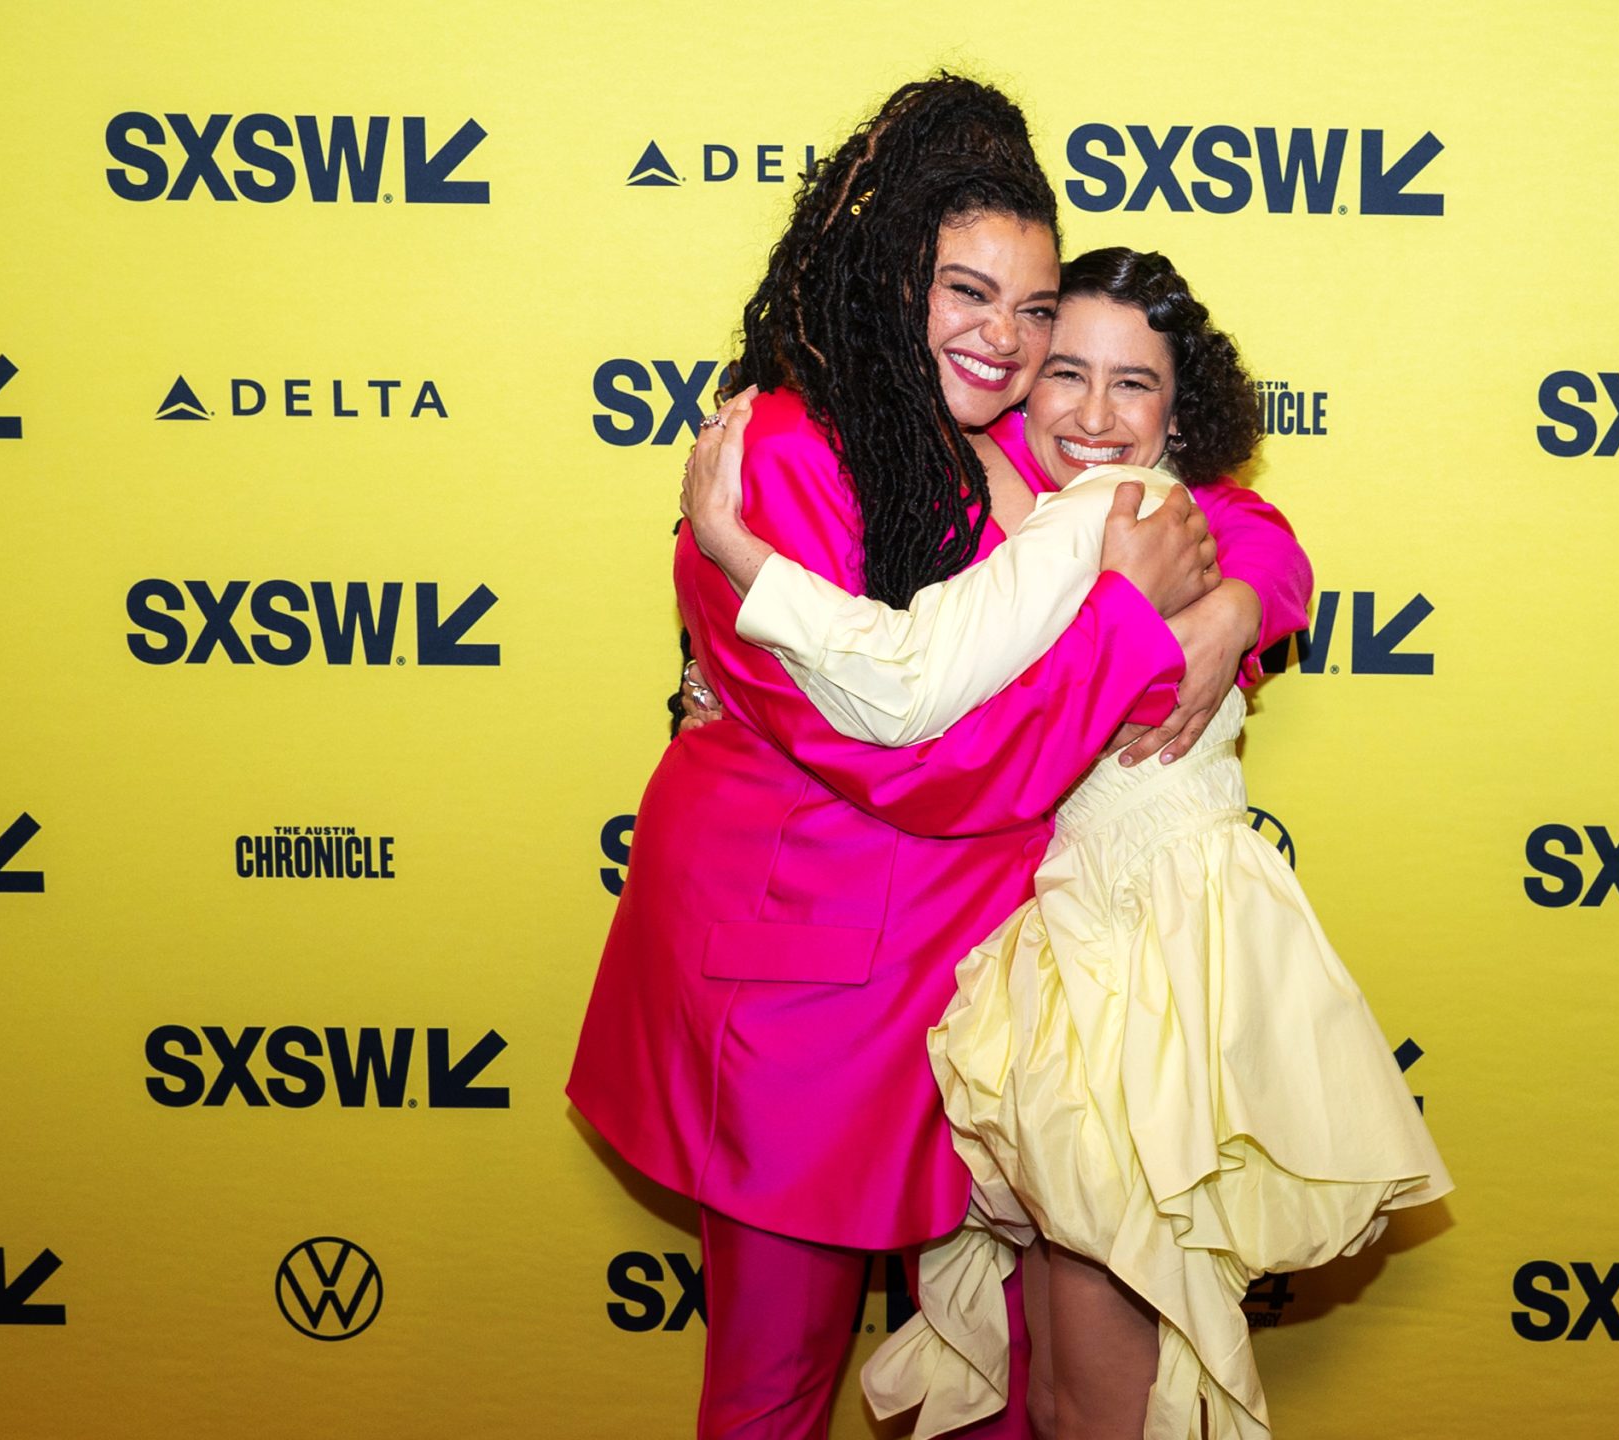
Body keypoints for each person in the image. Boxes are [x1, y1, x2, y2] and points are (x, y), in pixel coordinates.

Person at [563, 79, 1314, 1440]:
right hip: (807, 998)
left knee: (995, 1371)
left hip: (977, 983)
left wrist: (1233, 608)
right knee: (778, 1384)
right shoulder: (783, 455)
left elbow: (1210, 503)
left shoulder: (979, 430)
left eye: (1034, 309)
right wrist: (1144, 623)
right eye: (967, 293)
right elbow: (918, 758)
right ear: (886, 271)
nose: (1010, 342)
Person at [680, 249, 1450, 1440]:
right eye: (1066, 370)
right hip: (999, 981)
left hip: (1132, 986)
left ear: (1179, 412)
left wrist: (1238, 605)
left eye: (1133, 384)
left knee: (1087, 1371)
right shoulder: (969, 506)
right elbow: (926, 670)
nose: (1094, 412)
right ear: (1022, 380)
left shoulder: (1150, 516)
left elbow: (1258, 546)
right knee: (1021, 1377)